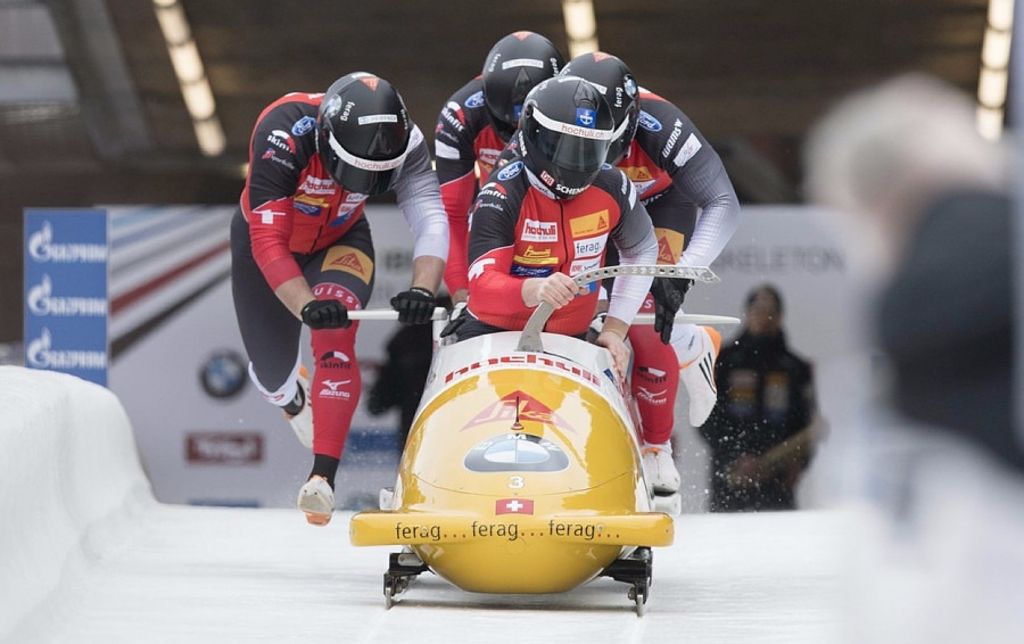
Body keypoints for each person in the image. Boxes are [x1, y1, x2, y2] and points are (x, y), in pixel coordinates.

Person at [231, 72, 448, 526]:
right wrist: (305, 305)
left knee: (335, 335)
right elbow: (269, 242)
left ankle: (321, 479)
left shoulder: (408, 141)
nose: (365, 182)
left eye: (378, 174)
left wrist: (423, 288)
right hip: (268, 246)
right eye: (358, 170)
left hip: (341, 241)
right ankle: (292, 397)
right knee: (271, 374)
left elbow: (430, 216)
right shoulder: (282, 132)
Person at [541, 53, 742, 494]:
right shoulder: (550, 111)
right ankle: (691, 344)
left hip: (657, 205)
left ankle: (656, 448)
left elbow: (723, 202)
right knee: (573, 310)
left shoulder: (663, 125)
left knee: (649, 317)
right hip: (585, 200)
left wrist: (683, 273)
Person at [454, 75, 658, 380]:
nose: (577, 161)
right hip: (492, 334)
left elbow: (642, 250)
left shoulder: (614, 186)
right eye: (565, 147)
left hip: (572, 340)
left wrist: (615, 329)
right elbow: (482, 288)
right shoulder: (502, 193)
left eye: (588, 149)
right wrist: (535, 289)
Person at [435, 31, 564, 305]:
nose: (516, 131)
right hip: (498, 215)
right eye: (508, 124)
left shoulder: (575, 108)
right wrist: (461, 292)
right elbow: (452, 213)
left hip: (560, 215)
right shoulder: (461, 114)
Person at [699, 285, 822, 511]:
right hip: (731, 481)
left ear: (780, 316)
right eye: (758, 310)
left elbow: (807, 425)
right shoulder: (723, 361)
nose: (764, 316)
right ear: (747, 313)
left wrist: (798, 462)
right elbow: (705, 417)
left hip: (777, 484)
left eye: (771, 311)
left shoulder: (796, 368)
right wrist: (735, 455)